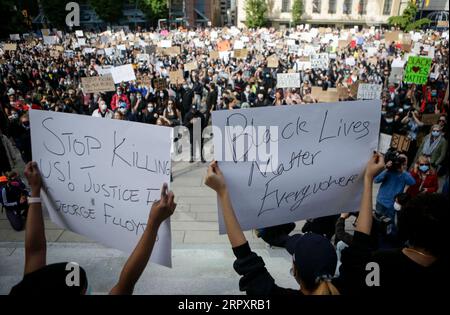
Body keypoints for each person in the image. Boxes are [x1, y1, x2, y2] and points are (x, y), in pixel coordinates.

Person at [9, 162, 177, 295]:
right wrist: (153, 224)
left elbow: (35, 250)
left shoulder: (29, 289)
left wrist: (35, 192)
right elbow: (126, 283)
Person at [205, 161, 340, 295]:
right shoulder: (352, 287)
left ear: (295, 270)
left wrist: (222, 192)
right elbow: (245, 258)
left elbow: (246, 261)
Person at [336, 153, 449, 295]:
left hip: (390, 209)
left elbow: (359, 255)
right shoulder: (388, 172)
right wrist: (385, 169)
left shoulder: (380, 262)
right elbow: (378, 179)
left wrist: (368, 177)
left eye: (402, 160)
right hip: (381, 203)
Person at [374, 151, 415, 234]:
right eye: (399, 159)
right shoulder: (389, 171)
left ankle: (387, 237)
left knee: (389, 223)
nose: (401, 162)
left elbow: (412, 182)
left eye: (404, 161)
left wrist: (402, 170)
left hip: (392, 204)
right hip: (381, 201)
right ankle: (376, 234)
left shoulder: (405, 174)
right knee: (377, 220)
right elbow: (376, 180)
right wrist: (386, 168)